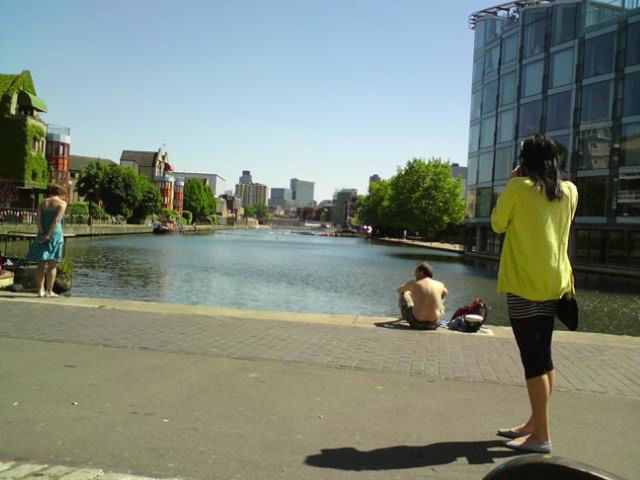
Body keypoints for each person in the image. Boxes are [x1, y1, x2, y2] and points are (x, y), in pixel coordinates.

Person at [491, 134, 578, 454]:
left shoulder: (518, 189)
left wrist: (513, 182)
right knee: (544, 356)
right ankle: (534, 423)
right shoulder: (569, 191)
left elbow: (498, 224)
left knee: (533, 360)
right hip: (556, 282)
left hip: (524, 282)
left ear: (524, 161)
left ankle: (541, 436)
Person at [26, 184, 68, 298]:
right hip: (54, 234)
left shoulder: (43, 203)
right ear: (60, 193)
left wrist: (42, 232)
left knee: (41, 264)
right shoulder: (62, 204)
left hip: (41, 233)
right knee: (52, 264)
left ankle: (40, 290)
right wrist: (49, 235)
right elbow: (56, 219)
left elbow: (37, 218)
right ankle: (49, 291)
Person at [397, 261, 448, 330]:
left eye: (416, 272)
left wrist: (409, 291)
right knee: (440, 297)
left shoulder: (414, 283)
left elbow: (399, 290)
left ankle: (404, 317)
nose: (415, 275)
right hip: (434, 324)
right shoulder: (440, 284)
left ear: (421, 272)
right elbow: (445, 293)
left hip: (416, 323)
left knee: (404, 293)